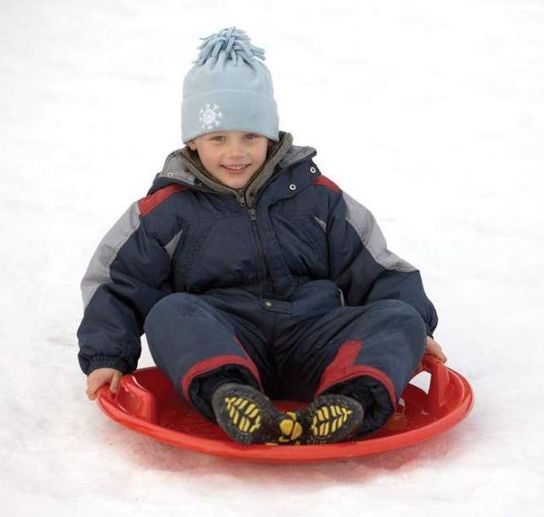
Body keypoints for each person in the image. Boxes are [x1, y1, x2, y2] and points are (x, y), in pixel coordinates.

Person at [78, 27, 446, 446]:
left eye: (250, 137)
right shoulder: (166, 211)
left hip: (316, 338)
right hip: (226, 340)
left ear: (269, 135)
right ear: (194, 142)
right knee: (170, 312)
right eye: (219, 138)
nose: (235, 153)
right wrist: (106, 355)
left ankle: (349, 401)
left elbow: (377, 267)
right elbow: (119, 286)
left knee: (398, 315)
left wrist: (418, 327)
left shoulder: (317, 197)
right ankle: (233, 398)